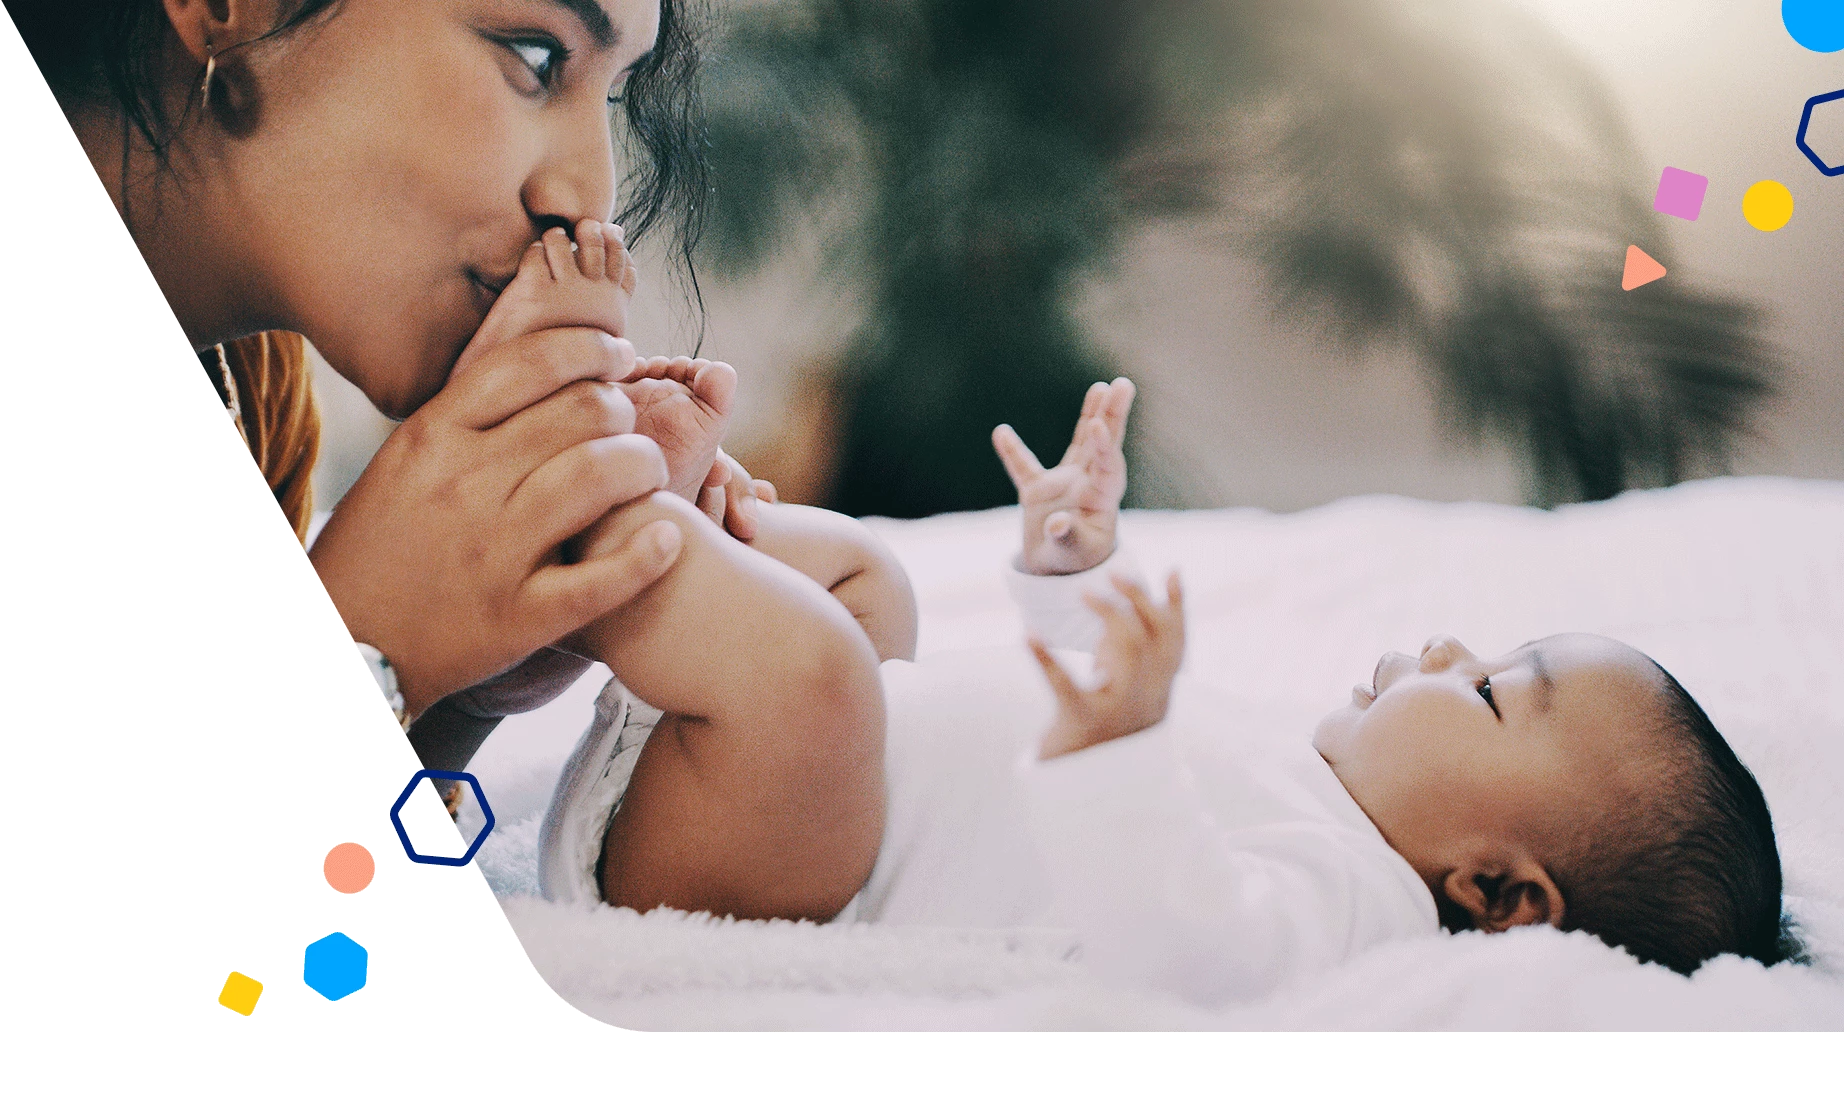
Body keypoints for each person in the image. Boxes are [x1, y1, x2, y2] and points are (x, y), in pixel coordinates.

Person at [535, 361, 1785, 1003]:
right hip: (769, 777)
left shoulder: (1350, 909)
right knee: (875, 587)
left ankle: (604, 523)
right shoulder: (1306, 785)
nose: (1449, 650)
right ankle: (688, 544)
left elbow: (1185, 947)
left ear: (1498, 891)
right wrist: (1065, 570)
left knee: (817, 674)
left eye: (1490, 693)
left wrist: (1125, 749)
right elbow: (1070, 699)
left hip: (744, 861)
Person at [11, 0, 757, 773]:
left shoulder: (257, 391)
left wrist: (463, 685)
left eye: (611, 98)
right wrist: (372, 638)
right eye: (536, 59)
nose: (588, 200)